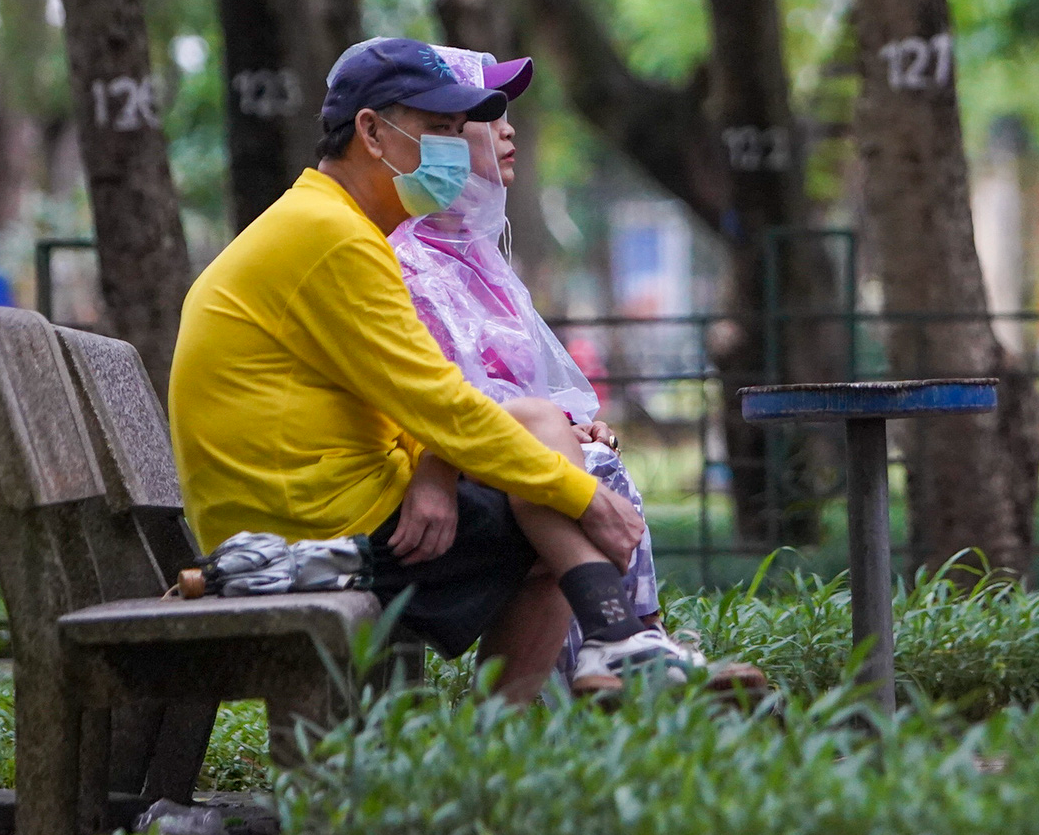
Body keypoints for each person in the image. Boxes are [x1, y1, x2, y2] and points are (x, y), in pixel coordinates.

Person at [170, 37, 708, 700]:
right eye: (438, 130)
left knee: (539, 423)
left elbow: (412, 400)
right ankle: (564, 683)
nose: (454, 149)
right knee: (553, 512)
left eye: (460, 131)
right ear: (371, 131)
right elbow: (442, 403)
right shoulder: (331, 237)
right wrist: (590, 500)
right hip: (306, 534)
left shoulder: (332, 225)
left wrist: (439, 465)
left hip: (317, 507)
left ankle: (606, 646)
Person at [387, 42, 735, 692]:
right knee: (577, 477)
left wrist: (572, 421)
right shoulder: (410, 262)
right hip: (435, 480)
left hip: (492, 462)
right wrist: (550, 432)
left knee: (587, 460)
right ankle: (633, 653)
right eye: (484, 115)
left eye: (507, 113)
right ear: (434, 137)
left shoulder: (482, 258)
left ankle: (625, 656)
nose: (508, 128)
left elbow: (512, 386)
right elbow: (438, 399)